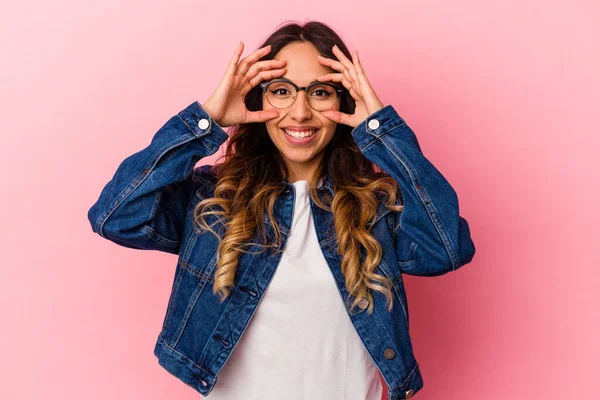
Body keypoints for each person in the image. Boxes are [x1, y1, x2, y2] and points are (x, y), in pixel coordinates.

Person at [88, 21, 476, 400]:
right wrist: (207, 120)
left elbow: (446, 249)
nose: (301, 112)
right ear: (257, 100)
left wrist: (382, 131)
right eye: (281, 90)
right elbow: (115, 215)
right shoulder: (214, 197)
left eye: (320, 92)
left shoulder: (375, 205)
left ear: (345, 100)